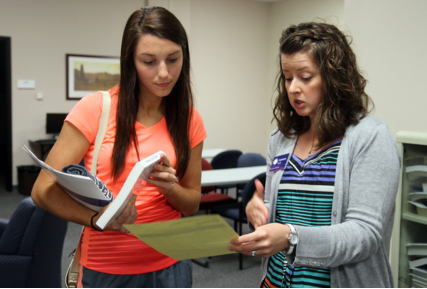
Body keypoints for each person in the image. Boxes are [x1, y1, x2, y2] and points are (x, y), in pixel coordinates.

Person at [31, 6, 206, 288]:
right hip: (108, 270)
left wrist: (170, 188)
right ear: (130, 62)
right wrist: (97, 219)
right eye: (149, 61)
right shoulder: (96, 109)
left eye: (173, 59)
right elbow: (42, 191)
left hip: (173, 264)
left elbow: (193, 202)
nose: (164, 73)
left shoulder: (189, 119)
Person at [228, 22, 401, 288]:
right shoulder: (281, 139)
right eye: (287, 77)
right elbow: (286, 219)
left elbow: (364, 235)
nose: (293, 88)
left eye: (305, 77)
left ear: (333, 79)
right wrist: (259, 211)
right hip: (273, 282)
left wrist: (291, 237)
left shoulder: (370, 138)